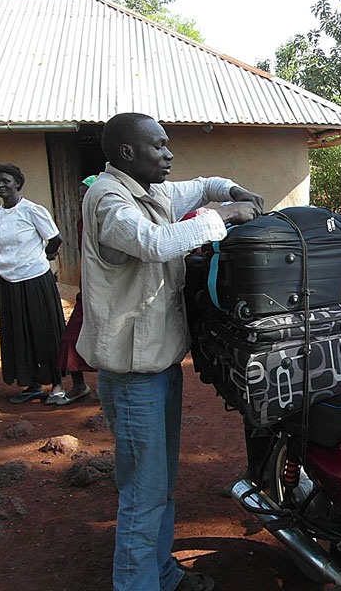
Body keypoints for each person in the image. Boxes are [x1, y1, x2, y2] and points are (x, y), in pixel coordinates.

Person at [77, 112, 264, 591]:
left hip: (159, 365)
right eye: (158, 146)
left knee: (158, 484)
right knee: (143, 493)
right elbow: (154, 243)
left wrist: (233, 191)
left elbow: (202, 186)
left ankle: (161, 572)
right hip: (133, 374)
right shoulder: (108, 199)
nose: (169, 154)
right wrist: (225, 216)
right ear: (127, 153)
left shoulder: (151, 191)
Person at [0, 163, 65, 404]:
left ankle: (57, 385)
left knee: (44, 331)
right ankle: (32, 384)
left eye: (6, 181)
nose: (1, 185)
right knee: (18, 332)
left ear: (17, 183)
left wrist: (46, 256)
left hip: (36, 278)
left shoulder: (33, 210)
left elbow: (55, 239)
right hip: (8, 279)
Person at [55, 175, 98, 406]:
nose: (82, 200)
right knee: (72, 337)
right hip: (88, 288)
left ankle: (112, 388)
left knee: (110, 339)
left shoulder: (107, 218)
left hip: (106, 290)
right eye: (80, 196)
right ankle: (79, 385)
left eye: (86, 195)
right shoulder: (82, 220)